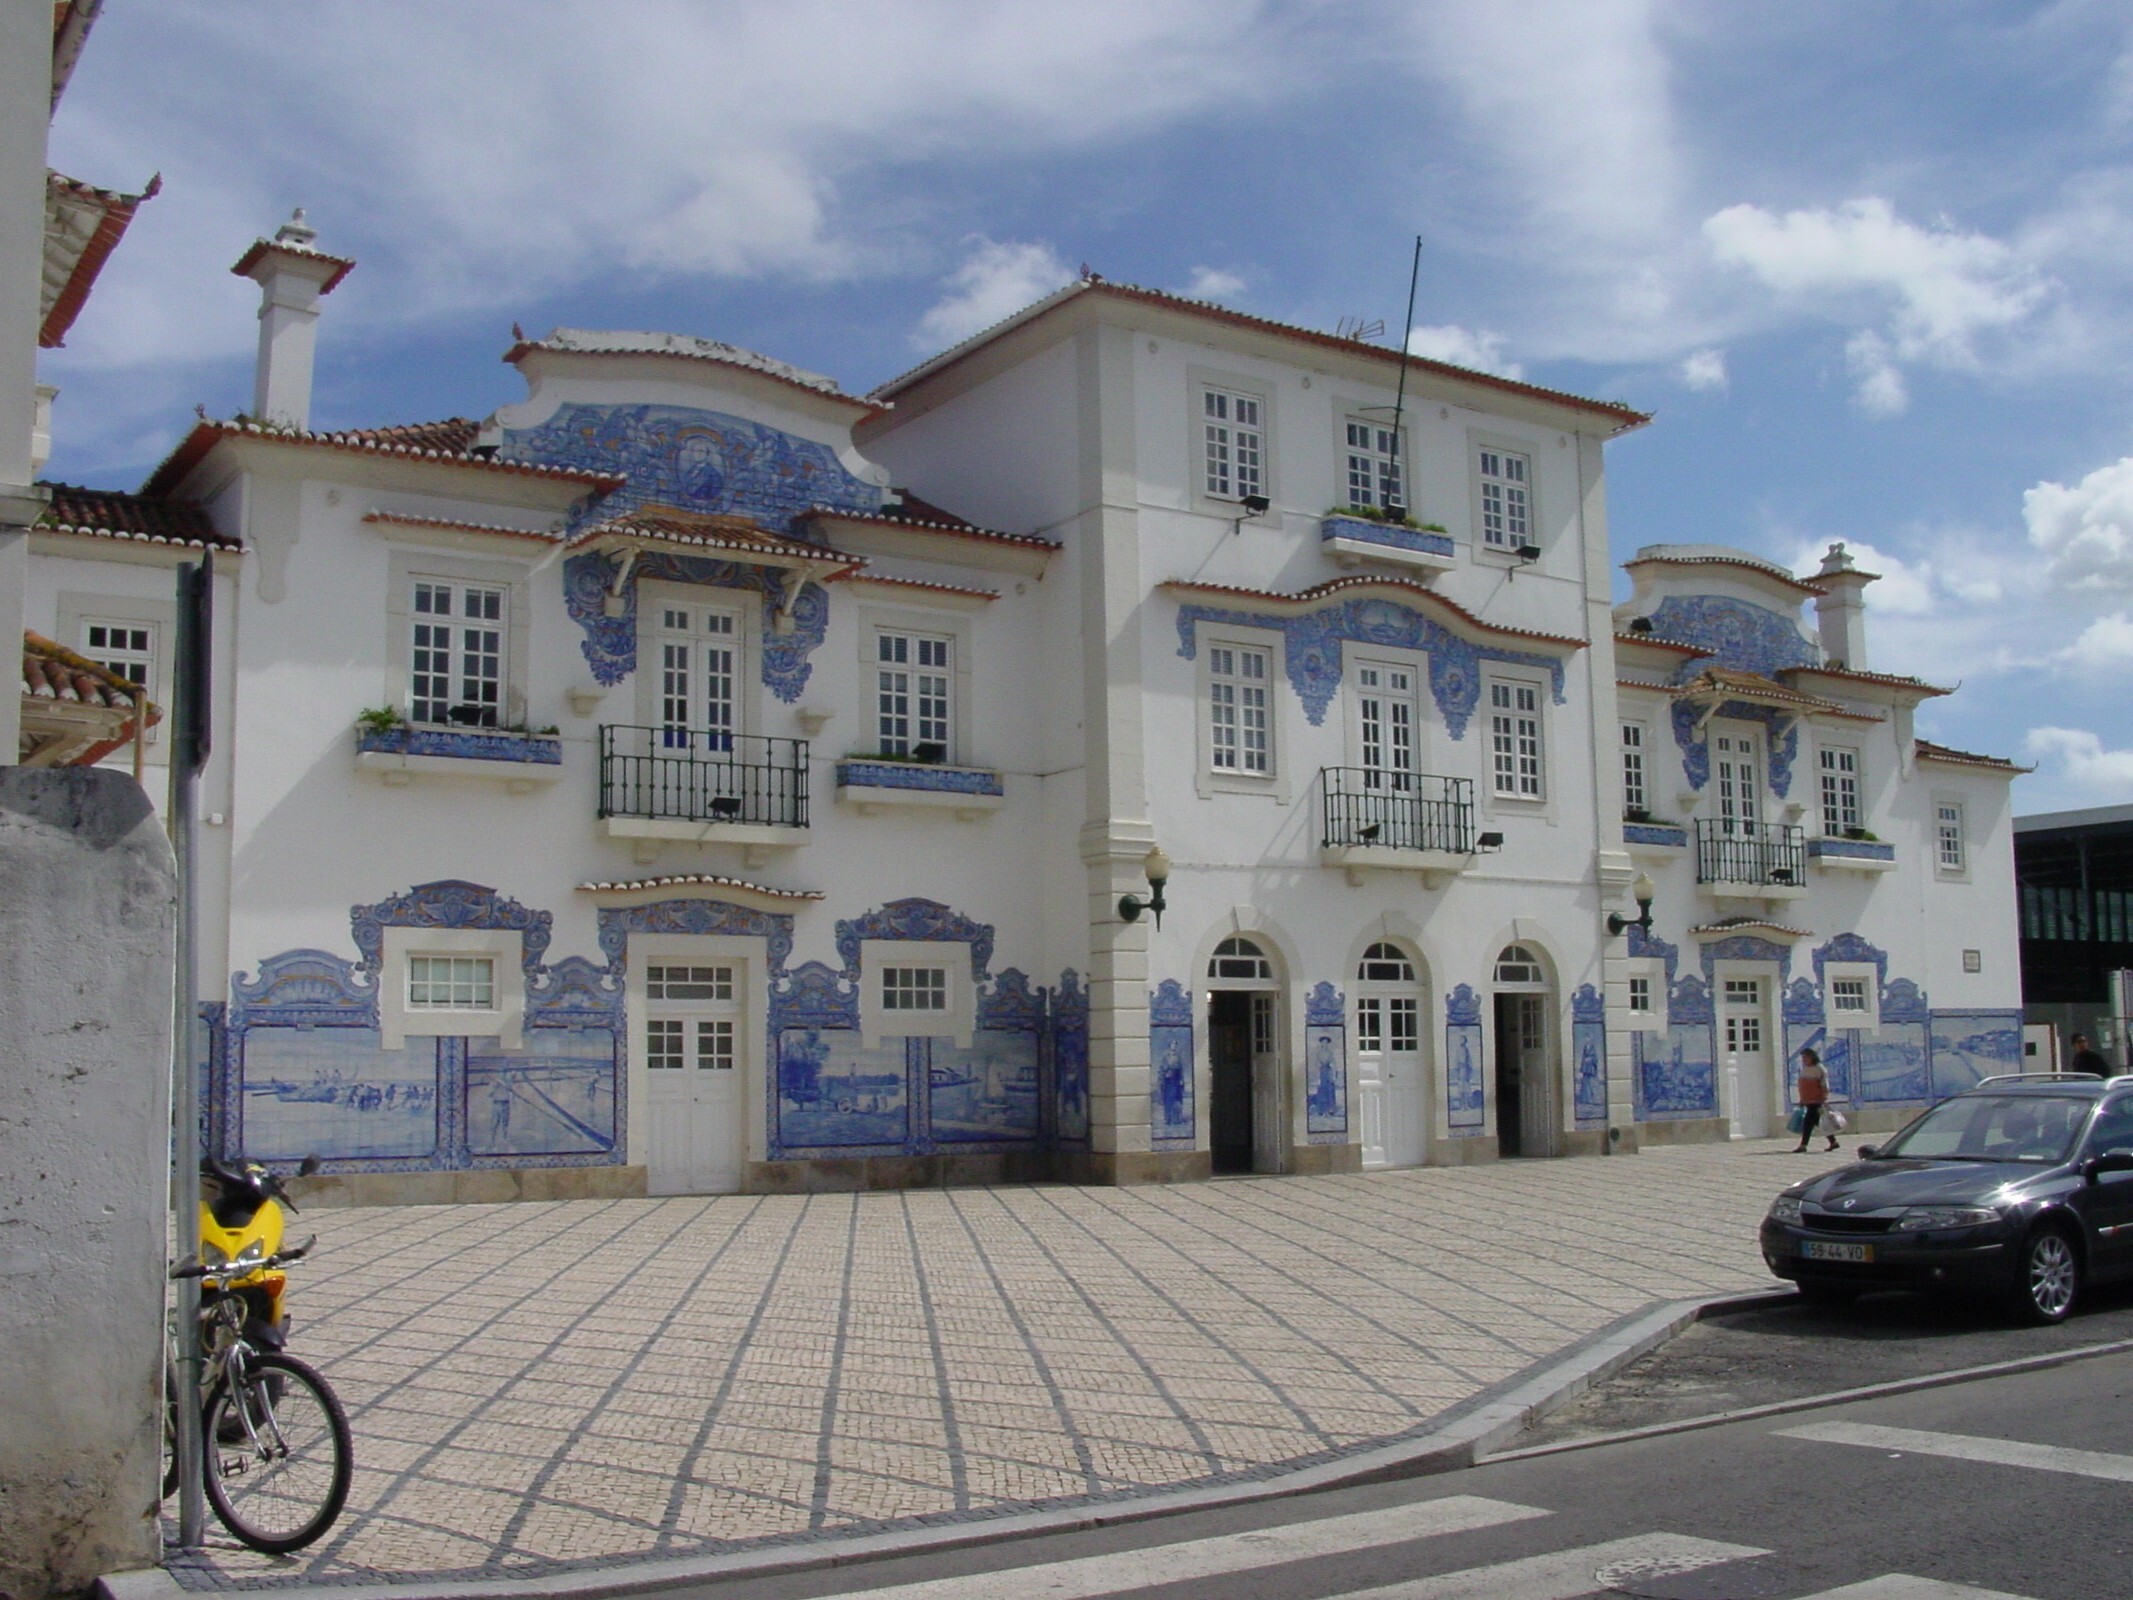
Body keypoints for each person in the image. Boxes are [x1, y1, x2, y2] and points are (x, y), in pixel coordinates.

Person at [1793, 1046, 1838, 1153]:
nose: (1804, 1060)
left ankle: (1803, 1145)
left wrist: (1824, 1097)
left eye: (1806, 1057)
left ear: (1812, 1057)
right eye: (1803, 1058)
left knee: (1808, 1123)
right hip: (1808, 1100)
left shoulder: (1819, 1069)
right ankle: (1833, 1141)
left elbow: (1824, 1085)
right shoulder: (1805, 1069)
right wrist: (1802, 1099)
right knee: (1819, 1122)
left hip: (1816, 1101)